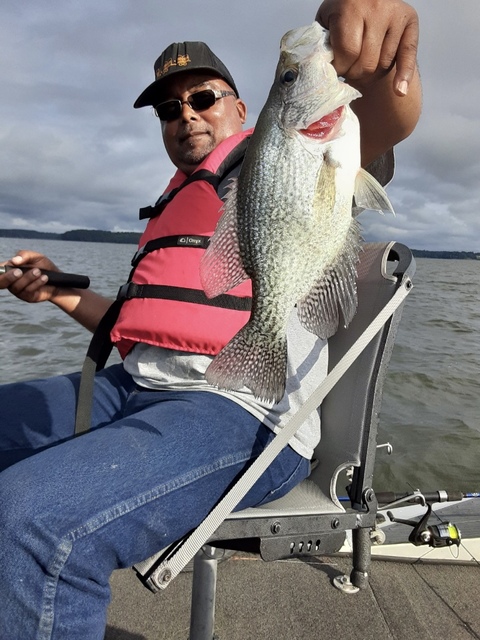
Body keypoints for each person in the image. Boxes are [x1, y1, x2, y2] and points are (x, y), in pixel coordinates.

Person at [0, 1, 421, 638]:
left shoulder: (278, 149)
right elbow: (137, 327)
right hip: (133, 390)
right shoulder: (174, 201)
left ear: (242, 109)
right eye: (170, 109)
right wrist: (56, 293)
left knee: (34, 520)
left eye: (203, 97)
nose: (187, 115)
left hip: (242, 411)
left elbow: (388, 119)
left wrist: (366, 31)